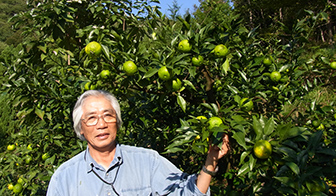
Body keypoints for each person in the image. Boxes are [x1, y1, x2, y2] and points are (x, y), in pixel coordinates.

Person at [46, 90, 230, 196]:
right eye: (92, 118)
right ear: (80, 128)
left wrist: (211, 161)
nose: (101, 124)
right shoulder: (65, 177)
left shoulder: (147, 162)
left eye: (107, 115)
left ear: (117, 122)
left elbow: (187, 194)